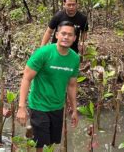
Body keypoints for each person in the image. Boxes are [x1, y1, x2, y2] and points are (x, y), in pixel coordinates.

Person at [17, 21, 80, 151]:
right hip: (39, 105)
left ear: (74, 38)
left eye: (70, 35)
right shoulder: (43, 53)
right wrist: (21, 107)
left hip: (57, 106)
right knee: (40, 144)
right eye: (63, 33)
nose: (66, 37)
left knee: (52, 141)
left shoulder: (74, 58)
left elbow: (72, 85)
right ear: (57, 35)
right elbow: (26, 78)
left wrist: (74, 110)